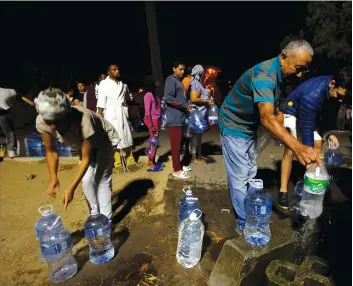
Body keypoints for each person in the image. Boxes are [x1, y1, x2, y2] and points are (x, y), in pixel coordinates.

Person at [218, 39, 322, 235]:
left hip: (249, 126)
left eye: (304, 70)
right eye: (298, 68)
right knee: (240, 177)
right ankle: (244, 223)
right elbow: (266, 117)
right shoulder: (264, 75)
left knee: (249, 170)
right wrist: (298, 147)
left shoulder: (282, 76)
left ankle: (248, 211)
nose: (299, 75)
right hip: (233, 125)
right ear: (283, 57)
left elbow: (274, 110)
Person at [34, 87, 120, 222]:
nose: (52, 127)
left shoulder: (83, 120)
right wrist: (53, 178)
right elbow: (50, 151)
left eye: (56, 121)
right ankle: (95, 216)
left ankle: (105, 223)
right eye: (48, 121)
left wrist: (71, 188)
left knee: (101, 180)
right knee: (87, 181)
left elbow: (86, 159)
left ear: (66, 113)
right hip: (83, 143)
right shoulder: (41, 121)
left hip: (105, 139)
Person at [278, 67, 352, 209]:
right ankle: (283, 190)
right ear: (332, 84)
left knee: (318, 151)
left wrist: (330, 133)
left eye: (344, 97)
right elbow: (306, 128)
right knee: (291, 149)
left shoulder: (337, 93)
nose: (341, 100)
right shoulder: (311, 94)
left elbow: (329, 115)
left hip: (313, 113)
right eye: (339, 96)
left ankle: (311, 188)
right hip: (292, 110)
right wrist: (306, 152)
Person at [97, 64, 138, 169]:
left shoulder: (123, 84)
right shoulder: (104, 83)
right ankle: (118, 163)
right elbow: (101, 101)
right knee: (114, 139)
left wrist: (133, 104)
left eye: (118, 69)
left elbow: (129, 97)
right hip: (111, 114)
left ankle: (131, 161)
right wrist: (99, 116)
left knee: (127, 136)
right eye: (114, 70)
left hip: (122, 113)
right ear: (109, 72)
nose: (117, 71)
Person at [163, 59, 193, 179]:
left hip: (180, 117)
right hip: (174, 118)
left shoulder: (178, 81)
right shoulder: (171, 80)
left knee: (180, 144)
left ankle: (179, 165)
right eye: (180, 69)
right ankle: (176, 170)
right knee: (175, 146)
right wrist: (185, 105)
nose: (182, 72)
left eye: (183, 70)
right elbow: (168, 98)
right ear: (174, 69)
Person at [0, 87, 37, 158]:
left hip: (3, 113)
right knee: (10, 132)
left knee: (9, 132)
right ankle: (11, 151)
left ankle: (10, 151)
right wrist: (32, 103)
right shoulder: (11, 92)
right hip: (4, 113)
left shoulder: (8, 92)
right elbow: (22, 97)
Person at [189, 64, 213, 164]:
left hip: (200, 114)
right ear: (200, 73)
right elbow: (193, 98)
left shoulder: (198, 83)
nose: (204, 75)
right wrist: (207, 101)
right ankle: (194, 157)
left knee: (198, 136)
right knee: (195, 136)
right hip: (197, 115)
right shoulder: (195, 83)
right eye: (203, 73)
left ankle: (198, 155)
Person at [143, 75, 161, 169]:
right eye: (155, 81)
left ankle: (152, 160)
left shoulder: (155, 95)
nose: (157, 83)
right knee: (154, 141)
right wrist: (151, 125)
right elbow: (147, 112)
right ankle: (150, 161)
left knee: (155, 141)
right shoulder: (148, 95)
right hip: (152, 120)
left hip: (156, 119)